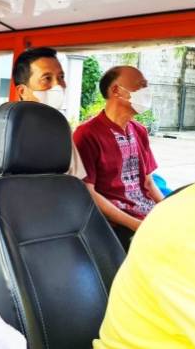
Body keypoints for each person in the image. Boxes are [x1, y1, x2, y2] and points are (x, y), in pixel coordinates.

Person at [93, 179, 195, 349]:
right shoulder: (190, 232)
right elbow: (90, 189)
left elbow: (149, 182)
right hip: (129, 219)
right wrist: (137, 224)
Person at [74, 66, 163, 251]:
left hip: (147, 216)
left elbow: (148, 183)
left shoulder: (139, 131)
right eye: (141, 85)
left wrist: (169, 209)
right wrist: (136, 225)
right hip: (115, 223)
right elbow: (88, 192)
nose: (147, 91)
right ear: (116, 90)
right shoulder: (86, 134)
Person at [13, 47, 87, 180]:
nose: (58, 85)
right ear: (22, 91)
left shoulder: (60, 126)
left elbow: (76, 179)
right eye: (47, 78)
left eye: (61, 77)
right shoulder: (6, 127)